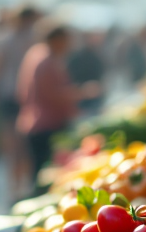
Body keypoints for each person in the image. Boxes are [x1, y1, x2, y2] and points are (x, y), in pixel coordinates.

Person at [17, 21, 98, 193]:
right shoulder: (46, 60)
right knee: (42, 176)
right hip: (45, 124)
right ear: (57, 40)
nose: (69, 46)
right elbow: (53, 95)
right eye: (66, 41)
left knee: (39, 173)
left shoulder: (37, 54)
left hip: (35, 121)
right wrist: (82, 92)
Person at [0, 5, 39, 200]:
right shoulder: (32, 39)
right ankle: (21, 186)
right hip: (22, 95)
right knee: (22, 144)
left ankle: (15, 187)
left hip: (9, 94)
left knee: (12, 145)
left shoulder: (6, 38)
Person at [67, 30, 107, 116]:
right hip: (83, 97)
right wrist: (84, 88)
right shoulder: (77, 56)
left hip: (95, 94)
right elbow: (72, 76)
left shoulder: (97, 54)